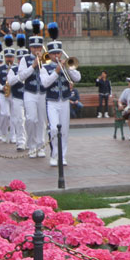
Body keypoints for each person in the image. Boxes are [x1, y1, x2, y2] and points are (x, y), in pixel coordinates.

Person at [41, 38, 81, 166]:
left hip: (64, 101)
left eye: (58, 53)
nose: (57, 56)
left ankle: (62, 156)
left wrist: (68, 69)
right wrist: (56, 71)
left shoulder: (67, 65)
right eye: (54, 53)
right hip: (51, 102)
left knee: (64, 130)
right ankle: (54, 155)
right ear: (49, 55)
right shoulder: (45, 67)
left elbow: (78, 78)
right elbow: (45, 83)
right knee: (53, 129)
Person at [17, 29, 49, 159]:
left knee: (42, 120)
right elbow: (21, 76)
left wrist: (42, 63)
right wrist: (33, 66)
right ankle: (31, 145)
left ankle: (41, 146)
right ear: (30, 47)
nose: (36, 49)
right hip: (29, 92)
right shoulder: (25, 59)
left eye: (39, 47)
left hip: (42, 92)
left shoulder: (47, 59)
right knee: (30, 119)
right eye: (34, 47)